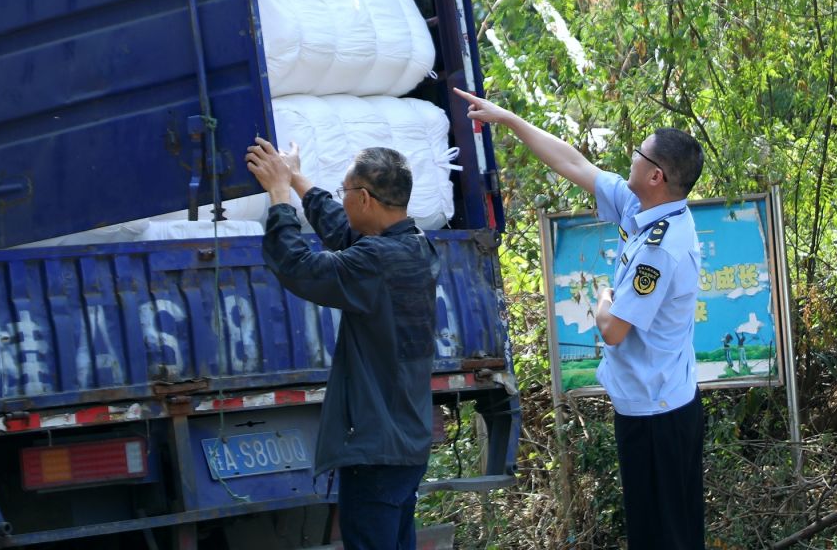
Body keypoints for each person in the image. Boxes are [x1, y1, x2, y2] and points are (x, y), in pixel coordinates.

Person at [454, 89, 705, 550]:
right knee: (664, 531)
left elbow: (613, 328)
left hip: (659, 415)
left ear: (656, 175)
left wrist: (605, 295)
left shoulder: (662, 248)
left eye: (639, 153)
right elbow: (574, 163)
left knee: (664, 536)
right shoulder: (642, 207)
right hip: (652, 403)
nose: (630, 158)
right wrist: (509, 120)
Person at [246, 137, 439, 550]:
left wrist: (279, 196)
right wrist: (296, 180)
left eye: (344, 191)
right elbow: (342, 230)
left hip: (376, 448)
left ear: (364, 198)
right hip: (404, 442)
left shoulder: (375, 261)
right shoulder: (416, 246)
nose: (342, 199)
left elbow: (298, 266)